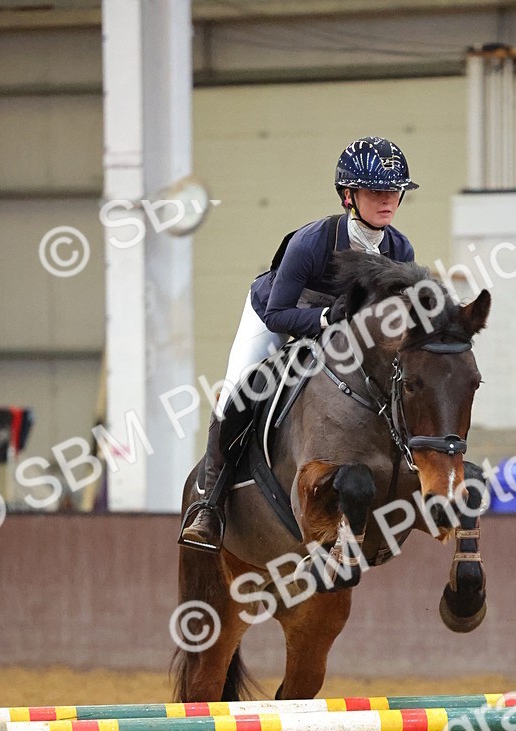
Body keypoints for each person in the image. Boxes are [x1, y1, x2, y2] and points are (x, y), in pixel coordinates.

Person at [178, 135, 419, 552]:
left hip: (343, 331)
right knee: (239, 390)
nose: (388, 201)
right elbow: (277, 313)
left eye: (394, 192)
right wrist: (327, 319)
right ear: (348, 195)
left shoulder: (399, 249)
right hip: (277, 313)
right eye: (377, 191)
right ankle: (209, 506)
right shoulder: (311, 242)